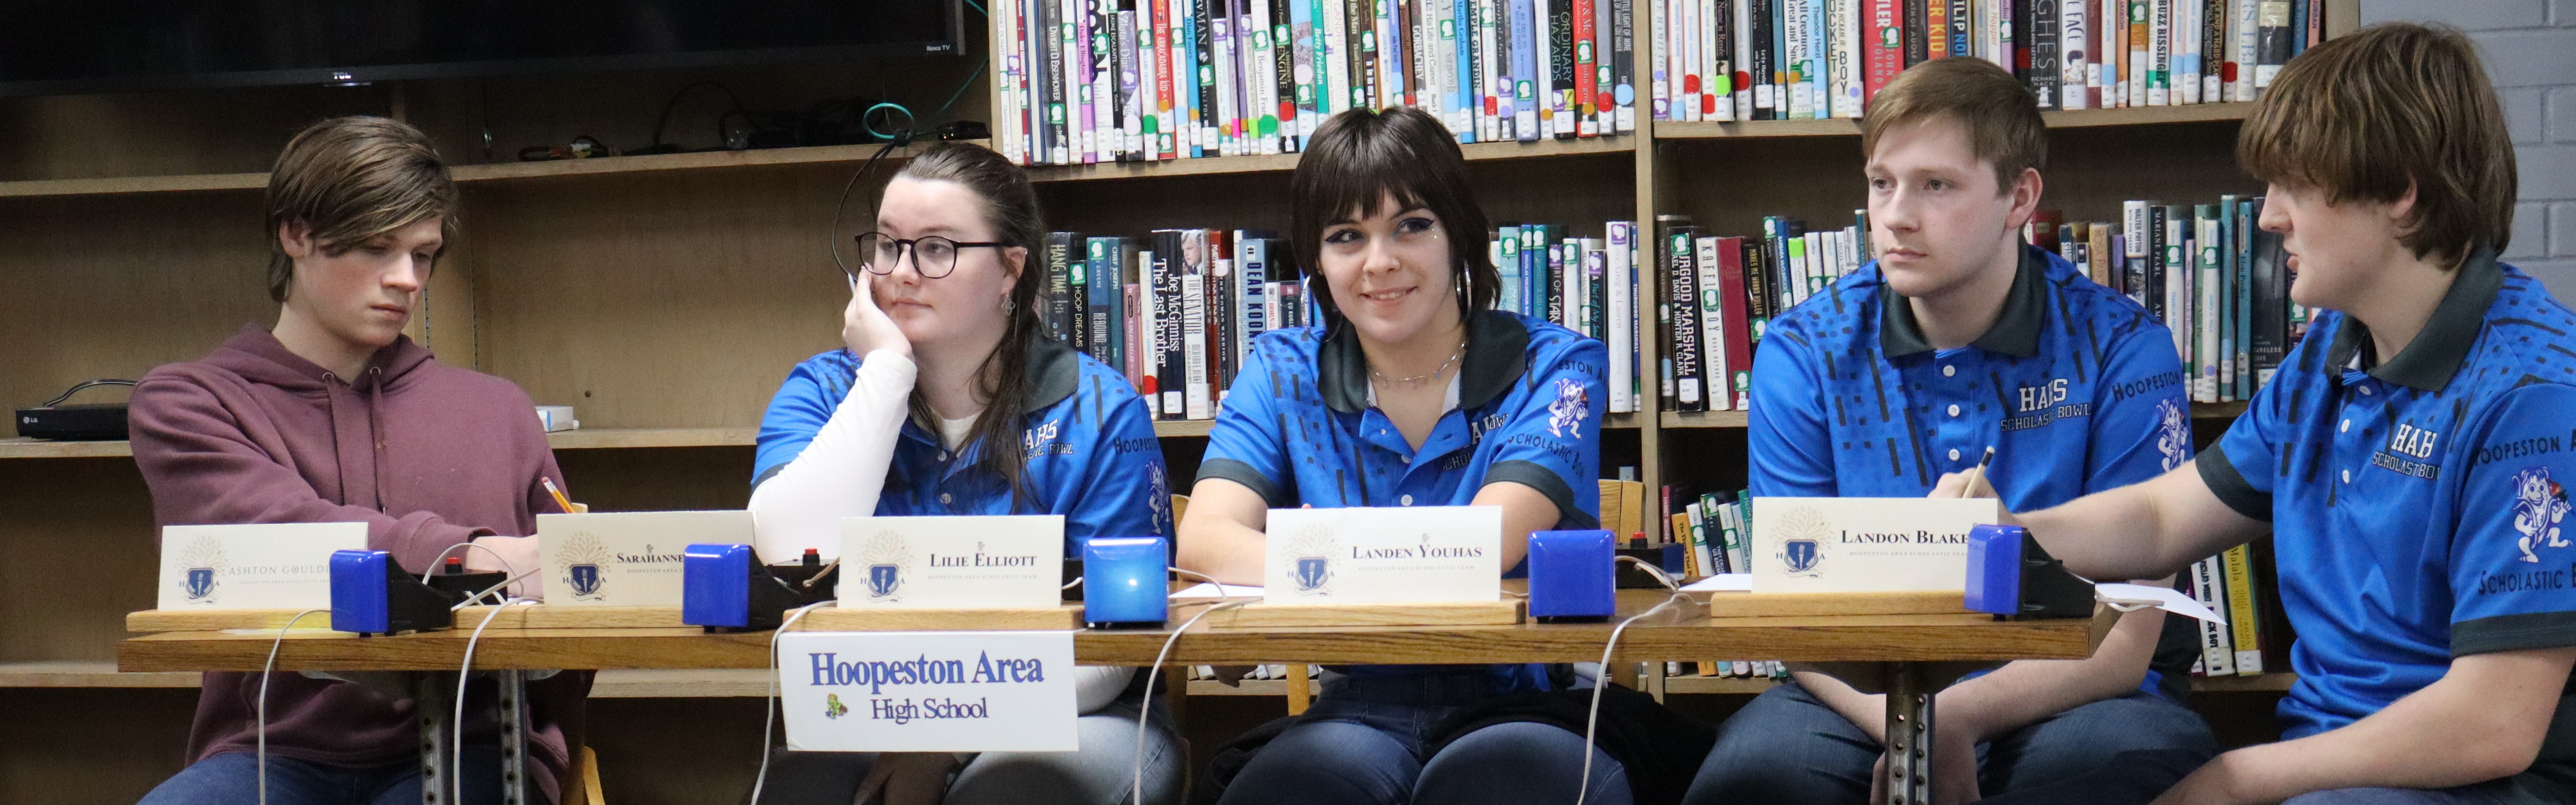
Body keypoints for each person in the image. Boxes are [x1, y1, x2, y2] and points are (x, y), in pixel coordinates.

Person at [1968, 23, 2576, 805]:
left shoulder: (2532, 397)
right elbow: (2164, 518)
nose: (2268, 218)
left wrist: (2230, 778)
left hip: (2483, 782)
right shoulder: (2332, 348)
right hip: (2333, 762)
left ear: (2399, 193)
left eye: (2295, 185)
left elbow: (2493, 723)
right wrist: (2007, 529)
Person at [1682, 56, 2218, 805]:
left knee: (2094, 777)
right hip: (1857, 687)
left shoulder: (2121, 345)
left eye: (1936, 185)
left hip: (2077, 686)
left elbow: (2126, 644)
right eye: (1882, 182)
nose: (1896, 215)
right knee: (1747, 787)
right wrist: (1914, 725)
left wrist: (1952, 721)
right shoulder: (1803, 349)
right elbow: (1793, 608)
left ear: (2018, 198)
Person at [130, 116, 584, 805]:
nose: (406, 280)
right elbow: (275, 532)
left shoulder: (499, 411)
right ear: (296, 234)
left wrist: (548, 753)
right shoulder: (188, 402)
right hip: (272, 753)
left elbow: (575, 604)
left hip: (476, 747)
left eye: (424, 254)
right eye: (376, 248)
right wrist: (472, 556)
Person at [1177, 106, 1623, 805]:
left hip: (1526, 699)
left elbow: (1489, 541)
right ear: (1318, 264)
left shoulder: (1557, 366)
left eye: (1411, 225)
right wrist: (1381, 566)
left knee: (1494, 786)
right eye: (1346, 236)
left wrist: (1316, 566)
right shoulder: (1281, 370)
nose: (1379, 262)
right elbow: (1203, 539)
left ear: (1460, 235)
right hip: (1357, 703)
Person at [746, 141, 1182, 805]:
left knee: (1010, 795)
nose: (903, 273)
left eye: (938, 248)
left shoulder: (1098, 409)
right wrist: (885, 375)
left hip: (1072, 716)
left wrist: (946, 740)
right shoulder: (825, 390)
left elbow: (1119, 646)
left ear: (1011, 270)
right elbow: (782, 546)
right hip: (867, 711)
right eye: (888, 245)